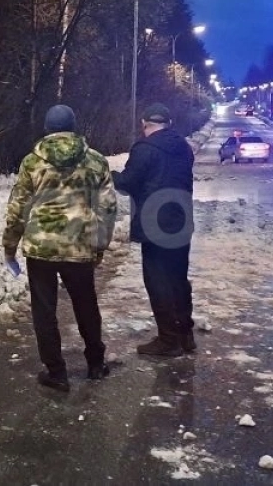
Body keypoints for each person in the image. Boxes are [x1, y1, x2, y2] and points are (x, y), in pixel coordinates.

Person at [3, 104, 117, 391]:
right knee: (86, 304)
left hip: (41, 248)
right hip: (79, 246)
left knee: (44, 310)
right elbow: (108, 206)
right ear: (74, 126)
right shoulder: (95, 161)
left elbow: (18, 207)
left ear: (47, 128)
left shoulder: (32, 162)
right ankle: (95, 363)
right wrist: (100, 243)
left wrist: (10, 245)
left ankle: (56, 371)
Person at [111, 103, 196, 357]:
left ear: (144, 123)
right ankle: (185, 335)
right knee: (178, 278)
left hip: (154, 223)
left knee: (157, 280)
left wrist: (111, 174)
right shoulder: (183, 147)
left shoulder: (145, 148)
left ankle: (168, 340)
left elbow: (127, 183)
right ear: (168, 123)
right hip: (180, 220)